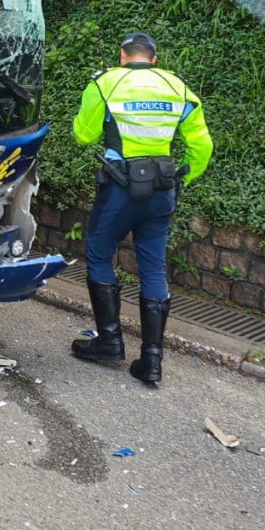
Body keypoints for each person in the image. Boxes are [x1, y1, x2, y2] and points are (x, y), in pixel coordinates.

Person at [70, 32, 213, 385]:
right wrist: (184, 179)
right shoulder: (177, 86)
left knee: (100, 255)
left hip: (119, 188)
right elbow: (202, 145)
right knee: (153, 265)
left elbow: (83, 136)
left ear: (123, 55)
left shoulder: (105, 83)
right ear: (154, 58)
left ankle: (110, 342)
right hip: (162, 191)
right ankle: (151, 360)